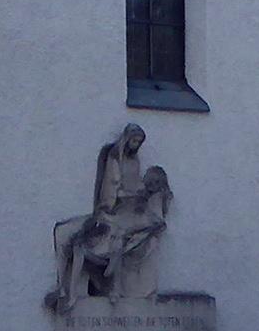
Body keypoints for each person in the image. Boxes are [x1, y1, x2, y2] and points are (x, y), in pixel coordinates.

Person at [47, 124, 172, 311]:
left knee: (130, 232)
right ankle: (72, 289)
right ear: (126, 139)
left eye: (139, 143)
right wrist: (130, 195)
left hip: (129, 210)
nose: (136, 146)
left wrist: (142, 193)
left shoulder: (135, 161)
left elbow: (136, 183)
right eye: (134, 141)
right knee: (111, 232)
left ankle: (114, 283)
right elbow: (112, 189)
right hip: (113, 209)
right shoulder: (114, 159)